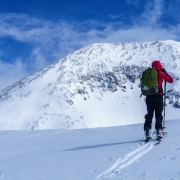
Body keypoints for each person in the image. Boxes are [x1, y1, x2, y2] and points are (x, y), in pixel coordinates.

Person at [144, 60, 173, 140]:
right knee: (158, 115)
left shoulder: (148, 73)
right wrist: (166, 73)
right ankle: (159, 131)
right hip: (158, 96)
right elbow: (170, 80)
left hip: (149, 96)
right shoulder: (160, 73)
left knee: (149, 114)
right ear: (159, 66)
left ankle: (147, 131)